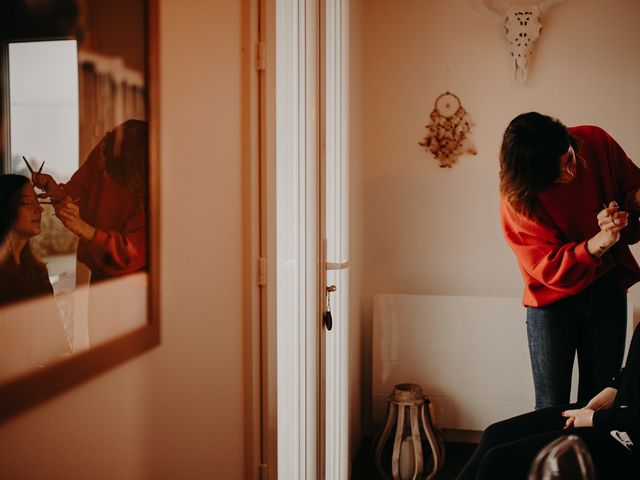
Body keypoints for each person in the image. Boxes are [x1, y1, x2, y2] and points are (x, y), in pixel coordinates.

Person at [499, 112, 640, 410]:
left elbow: (632, 186)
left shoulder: (596, 141)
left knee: (599, 403)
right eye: (556, 175)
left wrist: (627, 211)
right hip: (552, 305)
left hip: (607, 292)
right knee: (551, 408)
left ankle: (590, 459)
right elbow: (548, 267)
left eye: (570, 159)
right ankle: (552, 458)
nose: (570, 173)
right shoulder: (516, 198)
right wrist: (597, 243)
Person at [457, 319, 640, 479]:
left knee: (497, 460)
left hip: (628, 432)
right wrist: (616, 387)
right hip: (622, 410)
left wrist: (595, 419)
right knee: (495, 434)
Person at [31, 119, 147, 283]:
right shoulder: (107, 148)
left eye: (111, 175)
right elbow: (82, 190)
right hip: (100, 268)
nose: (104, 174)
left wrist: (83, 229)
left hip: (133, 282)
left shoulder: (159, 198)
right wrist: (59, 193)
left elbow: (129, 254)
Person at [0, 174, 69, 379]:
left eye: (38, 202)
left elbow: (56, 335)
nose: (39, 209)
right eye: (27, 203)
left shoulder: (38, 273)